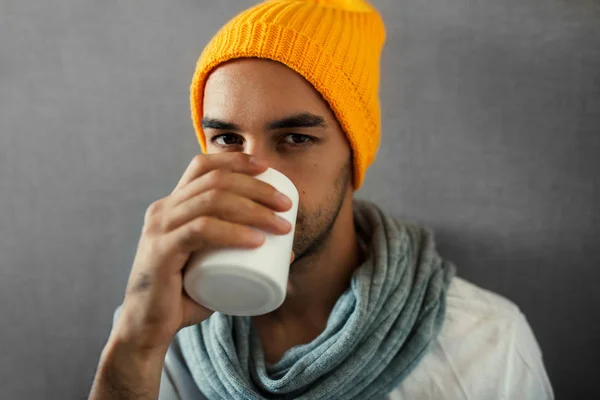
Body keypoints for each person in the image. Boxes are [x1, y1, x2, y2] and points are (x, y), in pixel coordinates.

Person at [88, 1, 554, 399]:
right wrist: (137, 345)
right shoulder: (161, 330)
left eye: (294, 137)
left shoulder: (483, 340)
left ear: (353, 154)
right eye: (228, 138)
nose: (258, 174)